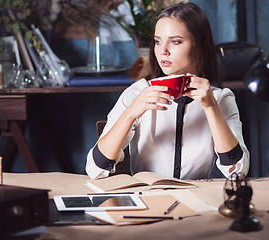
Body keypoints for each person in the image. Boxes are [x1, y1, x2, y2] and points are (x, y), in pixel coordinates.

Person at [86, 2, 250, 180]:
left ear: (201, 46)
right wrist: (131, 113)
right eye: (157, 41)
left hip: (197, 201)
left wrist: (212, 109)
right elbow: (95, 169)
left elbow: (237, 171)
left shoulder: (220, 98)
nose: (163, 51)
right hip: (148, 200)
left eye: (175, 42)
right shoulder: (137, 93)